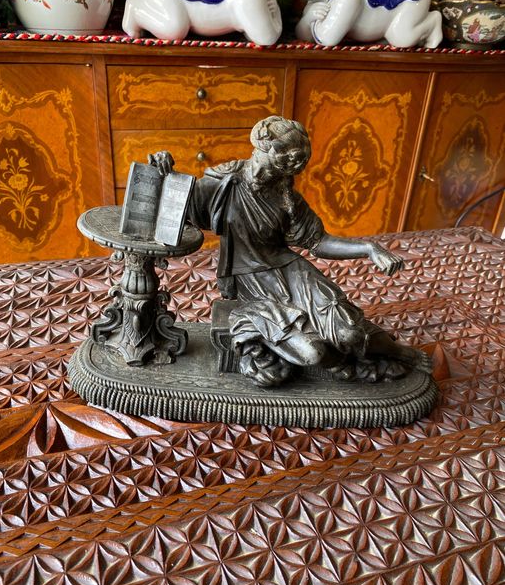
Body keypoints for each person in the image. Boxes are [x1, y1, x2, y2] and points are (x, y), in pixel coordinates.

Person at [150, 116, 430, 387]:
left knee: (349, 331)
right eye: (284, 160)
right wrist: (165, 174)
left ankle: (401, 353)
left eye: (293, 164)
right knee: (314, 353)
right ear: (262, 149)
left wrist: (368, 248)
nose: (288, 170)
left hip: (292, 271)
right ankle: (342, 366)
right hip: (251, 281)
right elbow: (182, 204)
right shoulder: (224, 183)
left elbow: (318, 241)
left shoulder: (287, 198)